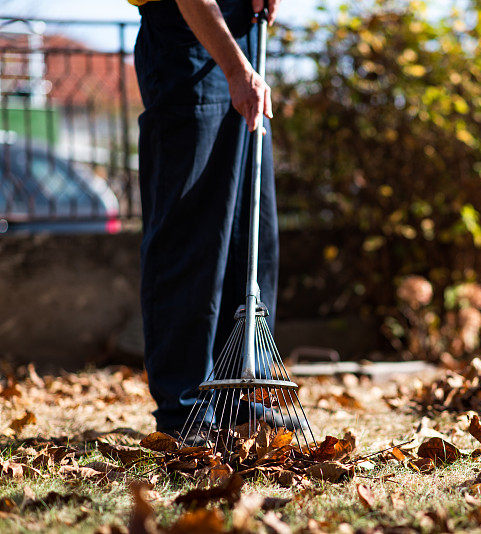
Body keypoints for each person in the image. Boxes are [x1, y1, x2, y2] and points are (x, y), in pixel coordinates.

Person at [131, 0, 283, 438]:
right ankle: (186, 410)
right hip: (188, 33)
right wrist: (236, 70)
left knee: (250, 229)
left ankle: (241, 397)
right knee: (191, 230)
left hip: (244, 30)